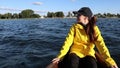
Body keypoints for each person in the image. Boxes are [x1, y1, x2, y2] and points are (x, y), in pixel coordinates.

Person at [52, 7, 118, 68]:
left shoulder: (94, 29)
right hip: (75, 52)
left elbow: (101, 45)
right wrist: (60, 56)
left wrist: (110, 62)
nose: (76, 17)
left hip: (89, 53)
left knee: (93, 65)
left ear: (86, 17)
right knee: (72, 64)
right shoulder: (74, 27)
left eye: (79, 15)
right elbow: (67, 42)